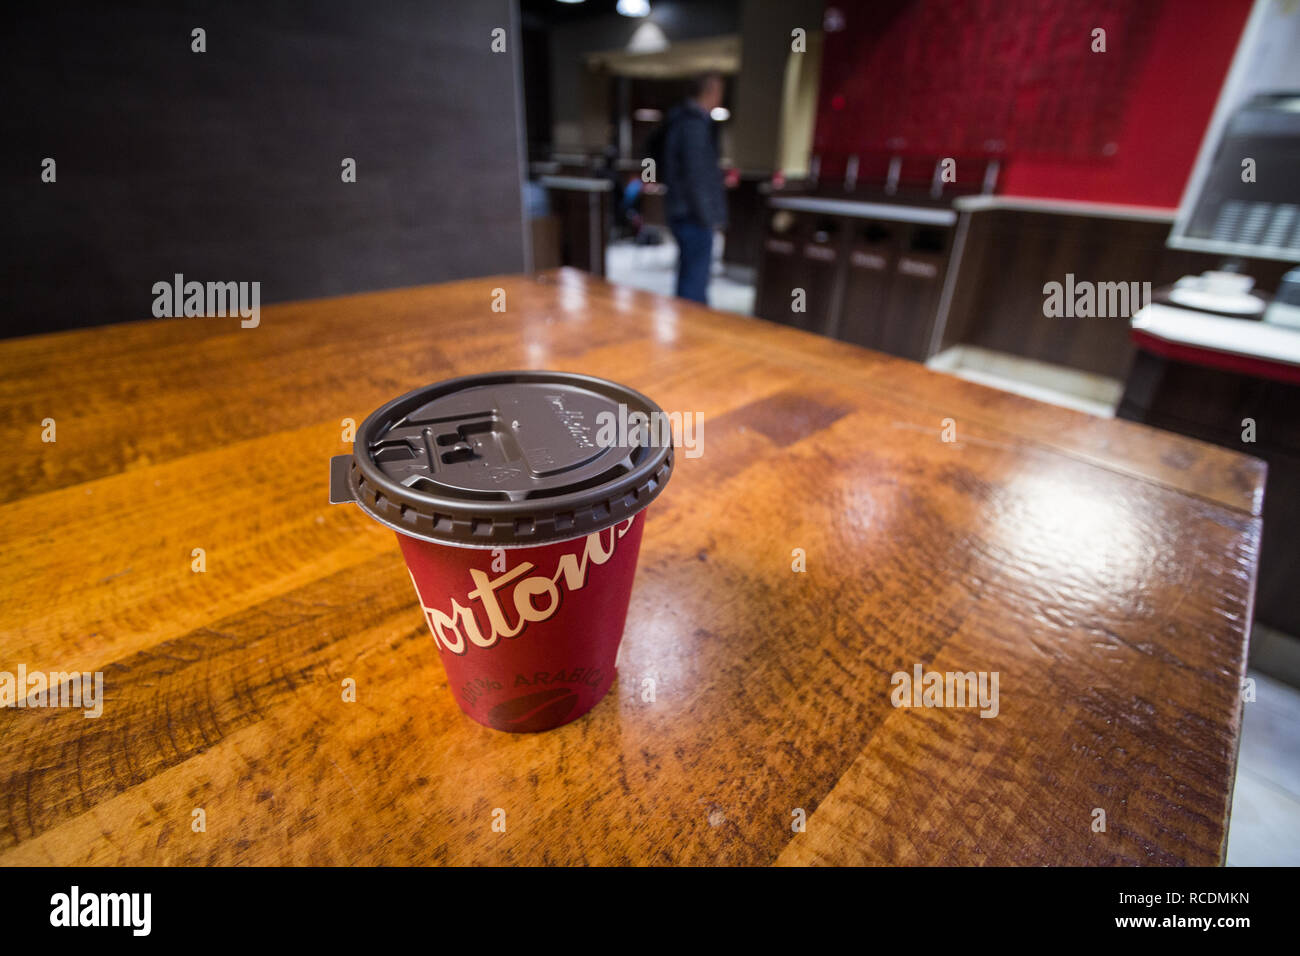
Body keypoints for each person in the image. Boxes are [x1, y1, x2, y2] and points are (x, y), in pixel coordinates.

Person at [662, 73, 727, 305]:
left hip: (684, 212)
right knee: (694, 284)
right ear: (710, 91)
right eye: (719, 91)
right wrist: (709, 217)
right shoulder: (693, 126)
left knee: (689, 276)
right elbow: (696, 178)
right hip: (693, 216)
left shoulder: (681, 121)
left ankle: (685, 329)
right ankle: (691, 336)